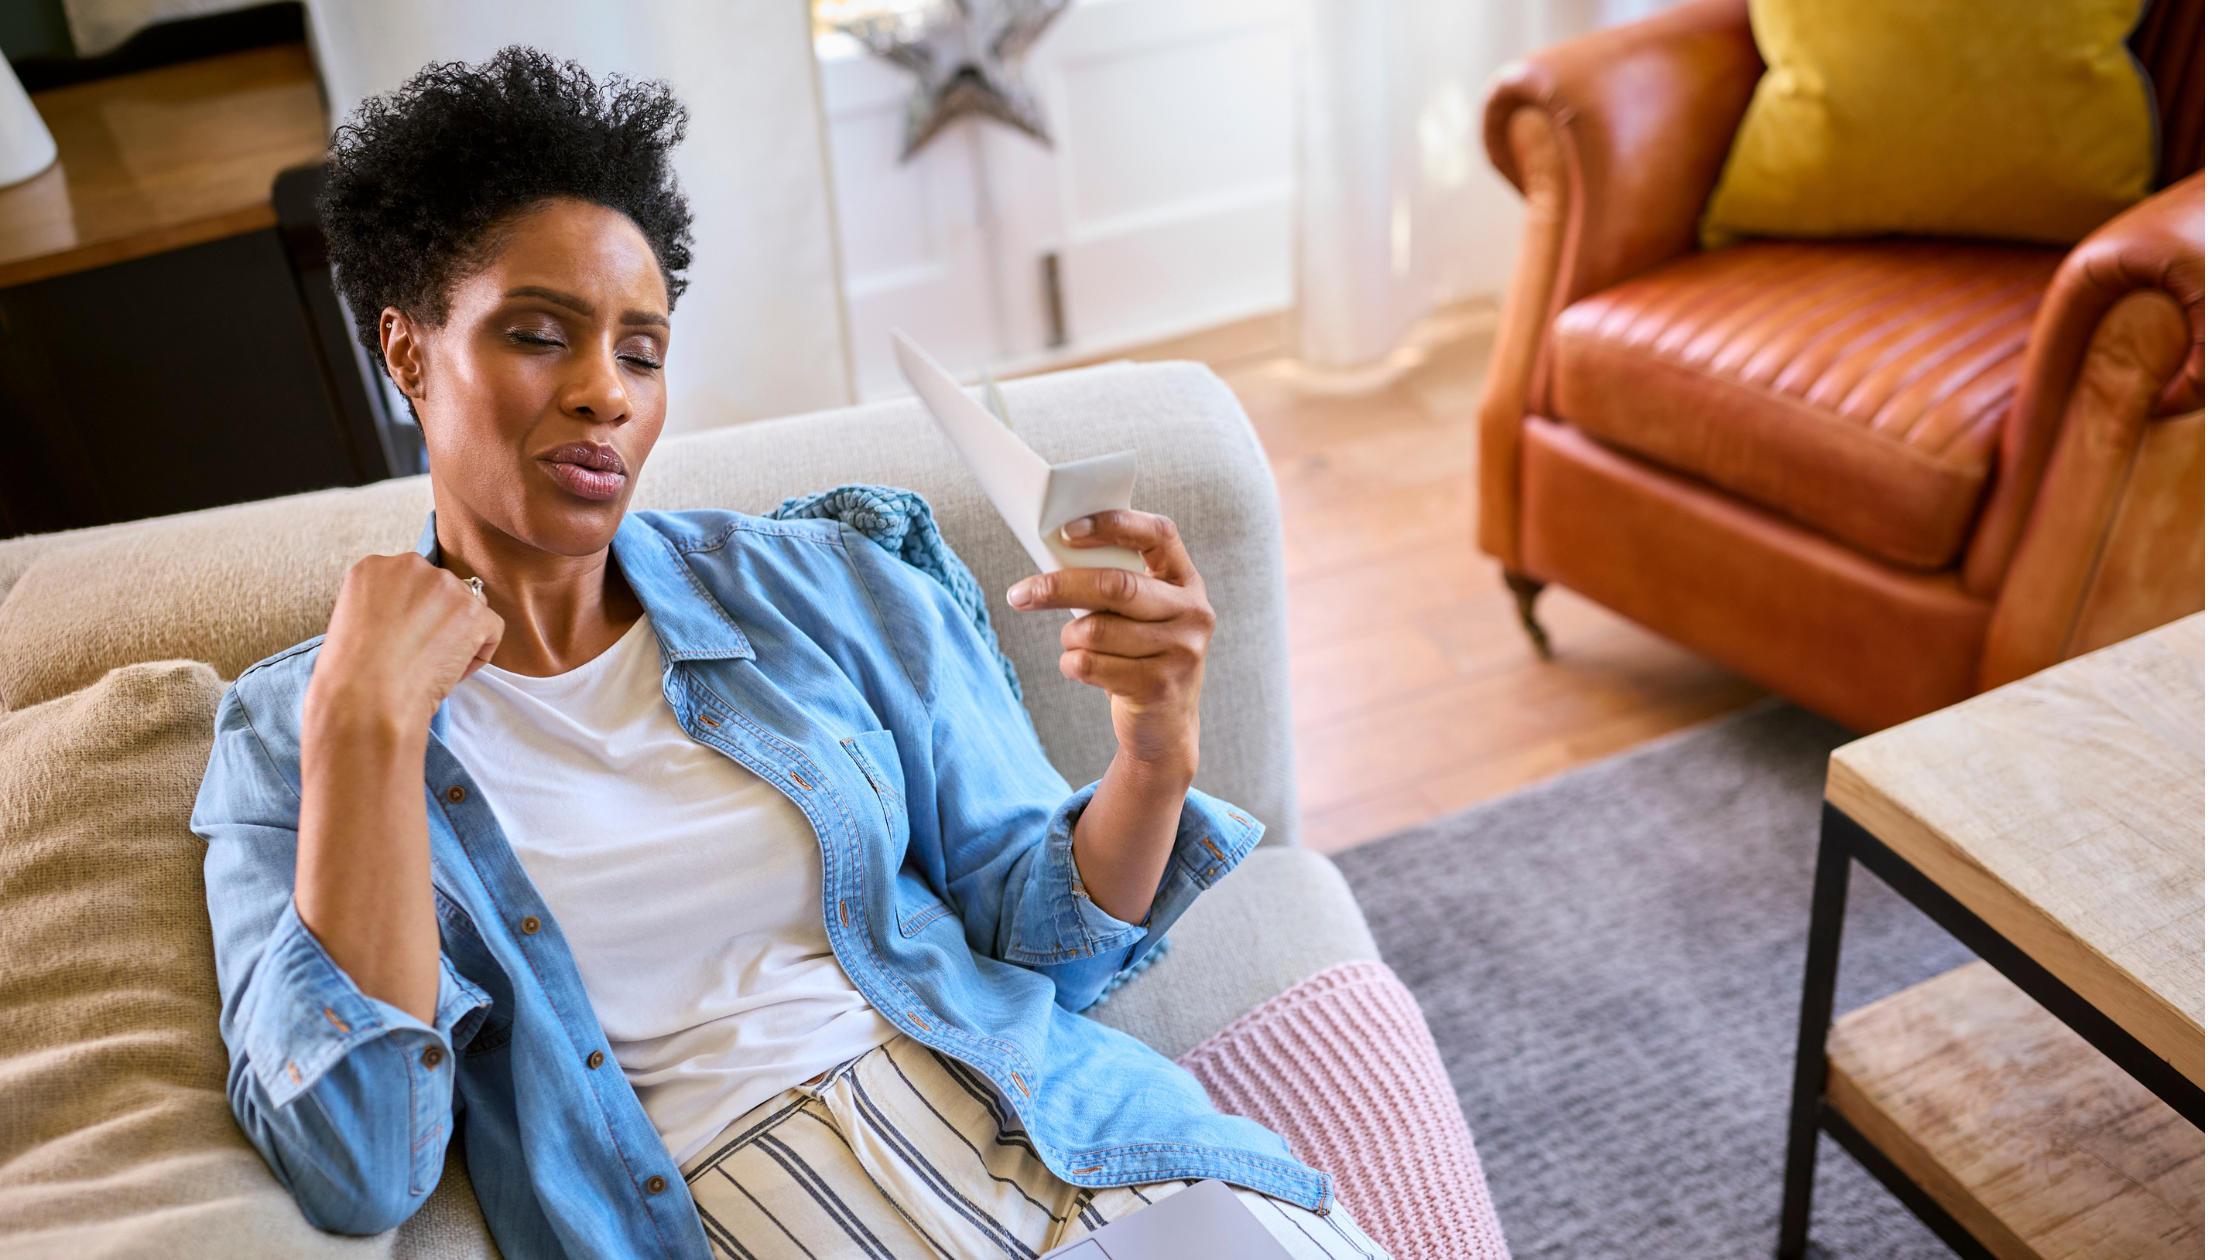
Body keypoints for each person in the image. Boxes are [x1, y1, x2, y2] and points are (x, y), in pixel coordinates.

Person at [192, 48, 1389, 1260]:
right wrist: (365, 729)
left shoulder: (819, 583)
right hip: (746, 1209)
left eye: (642, 351)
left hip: (1072, 1148)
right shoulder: (292, 734)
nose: (606, 392)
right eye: (539, 334)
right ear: (407, 354)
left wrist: (1155, 747)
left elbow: (1041, 946)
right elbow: (360, 1164)